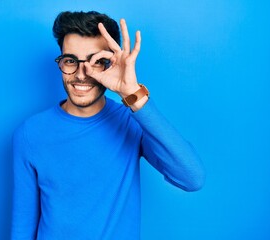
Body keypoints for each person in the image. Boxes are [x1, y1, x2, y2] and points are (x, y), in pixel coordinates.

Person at [11, 11, 205, 240]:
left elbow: (191, 177)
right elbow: (23, 225)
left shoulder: (131, 123)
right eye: (71, 60)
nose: (81, 75)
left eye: (96, 62)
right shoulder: (30, 133)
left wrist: (133, 94)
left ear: (110, 63)